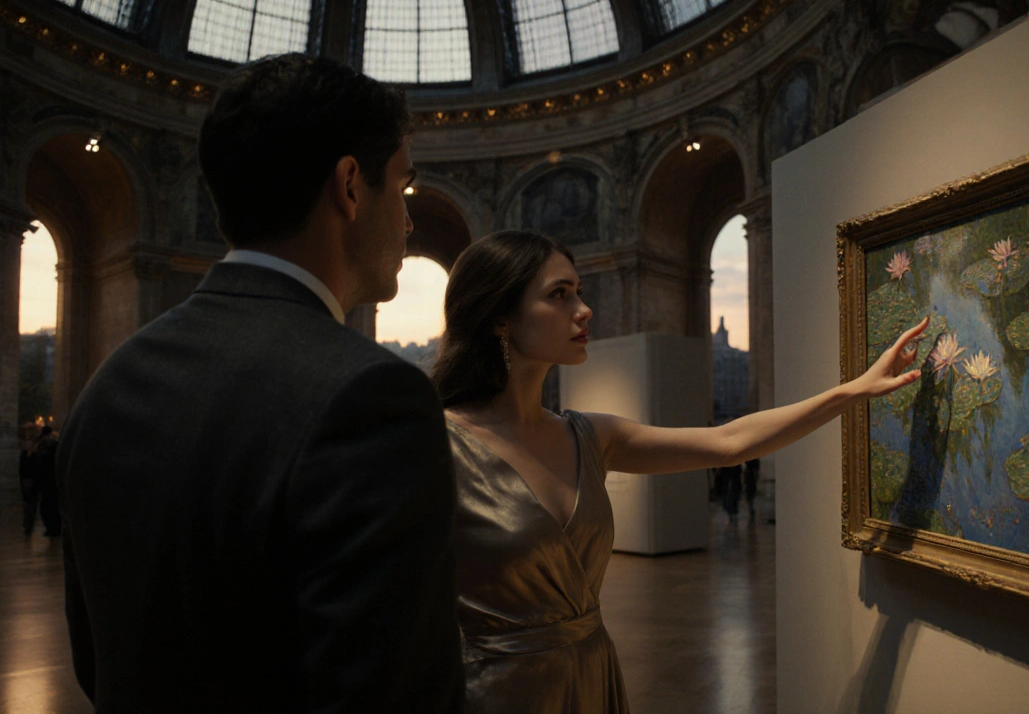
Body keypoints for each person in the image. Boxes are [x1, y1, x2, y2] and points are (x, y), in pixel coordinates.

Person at [55, 54, 464, 713]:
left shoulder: (112, 381)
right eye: (404, 188)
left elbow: (95, 658)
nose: (409, 220)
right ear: (351, 186)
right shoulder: (373, 398)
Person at [431, 230, 927, 713]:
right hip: (494, 693)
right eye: (559, 295)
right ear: (499, 317)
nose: (583, 310)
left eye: (578, 292)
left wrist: (853, 390)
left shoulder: (589, 436)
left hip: (591, 677)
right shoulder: (436, 444)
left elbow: (728, 442)